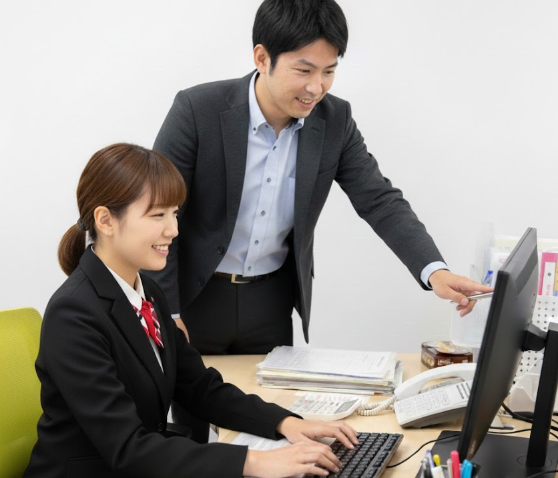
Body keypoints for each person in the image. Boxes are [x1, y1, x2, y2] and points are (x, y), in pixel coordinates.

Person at [148, 0, 492, 355]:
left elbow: (379, 200)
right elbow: (155, 211)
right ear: (262, 58)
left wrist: (434, 271)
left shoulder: (334, 120)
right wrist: (166, 311)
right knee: (187, 392)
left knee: (268, 394)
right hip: (193, 297)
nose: (316, 87)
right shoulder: (197, 110)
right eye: (304, 70)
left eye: (329, 71)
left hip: (271, 303)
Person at [24, 143, 358, 478]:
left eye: (174, 213)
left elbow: (200, 389)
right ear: (106, 220)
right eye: (158, 215)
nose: (173, 230)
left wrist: (285, 422)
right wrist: (256, 462)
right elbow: (127, 448)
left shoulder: (148, 292)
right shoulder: (73, 314)